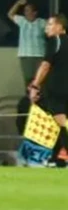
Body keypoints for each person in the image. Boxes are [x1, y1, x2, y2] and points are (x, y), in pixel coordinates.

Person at [29, 14, 68, 157]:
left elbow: (45, 65)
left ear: (59, 26)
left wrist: (35, 86)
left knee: (61, 122)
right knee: (61, 124)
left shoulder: (55, 40)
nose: (46, 28)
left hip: (57, 89)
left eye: (50, 24)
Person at [8, 0, 47, 85]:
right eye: (25, 11)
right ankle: (29, 93)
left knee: (39, 79)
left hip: (39, 55)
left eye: (28, 10)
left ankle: (40, 94)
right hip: (25, 55)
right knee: (28, 79)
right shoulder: (22, 21)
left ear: (34, 12)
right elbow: (10, 14)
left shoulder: (42, 22)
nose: (25, 13)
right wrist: (18, 3)